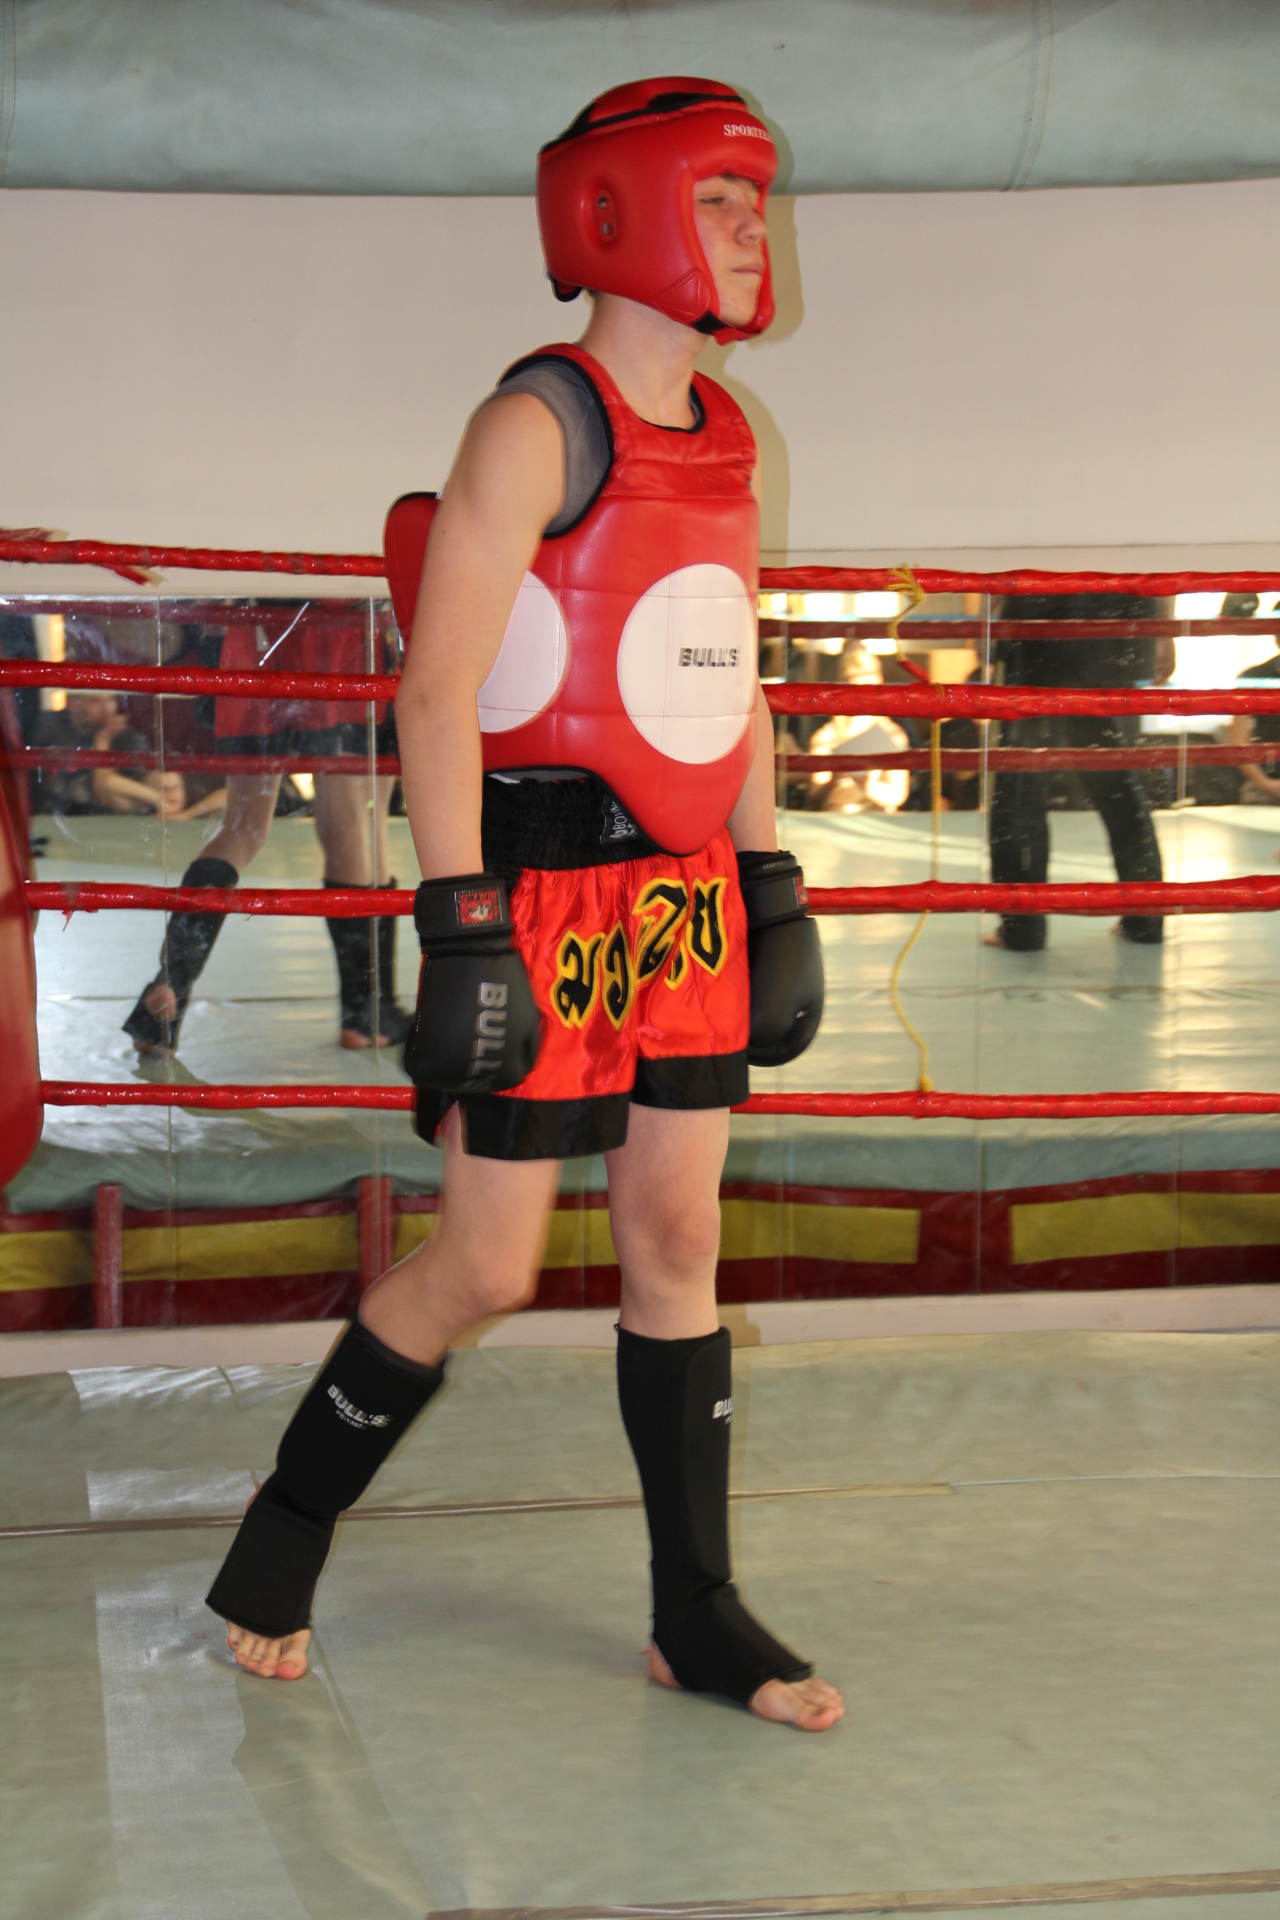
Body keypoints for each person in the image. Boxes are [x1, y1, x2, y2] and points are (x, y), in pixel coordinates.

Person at [205, 77, 841, 1733]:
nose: (752, 232)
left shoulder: (730, 436)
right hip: (541, 890)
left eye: (756, 202)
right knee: (488, 1265)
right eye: (722, 201)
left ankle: (694, 1614)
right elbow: (435, 693)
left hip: (682, 898)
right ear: (619, 214)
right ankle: (284, 1530)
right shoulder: (535, 423)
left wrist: (770, 874)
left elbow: (729, 672)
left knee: (679, 1238)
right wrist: (461, 918)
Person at [122, 604, 410, 1054]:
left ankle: (170, 984)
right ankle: (367, 1014)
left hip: (254, 636)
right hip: (338, 631)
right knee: (355, 820)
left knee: (241, 828)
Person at [987, 593, 1171, 950]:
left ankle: (1022, 928)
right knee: (1119, 784)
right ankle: (1145, 919)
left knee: (1023, 788)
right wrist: (1162, 632)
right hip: (1118, 628)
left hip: (1046, 630)